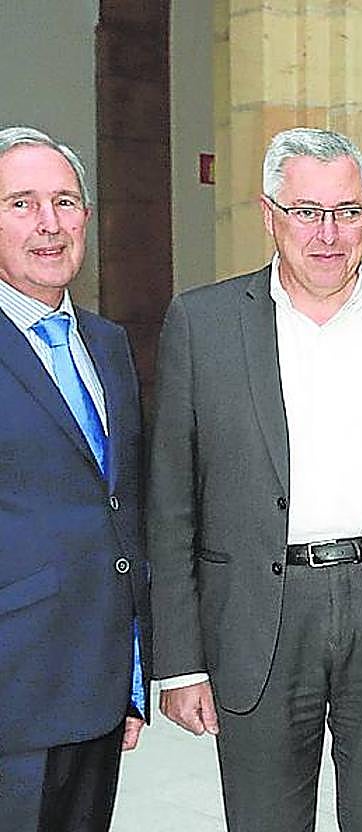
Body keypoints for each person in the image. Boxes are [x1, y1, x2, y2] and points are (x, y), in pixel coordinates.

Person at [147, 127, 362, 832]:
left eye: (348, 211)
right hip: (258, 613)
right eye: (306, 211)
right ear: (269, 215)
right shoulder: (202, 325)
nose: (328, 233)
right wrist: (179, 661)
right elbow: (171, 502)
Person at [0, 127, 149, 830]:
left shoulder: (108, 344)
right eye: (22, 203)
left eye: (64, 201)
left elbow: (120, 509)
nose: (49, 224)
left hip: (98, 685)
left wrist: (135, 670)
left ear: (87, 217)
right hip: (14, 693)